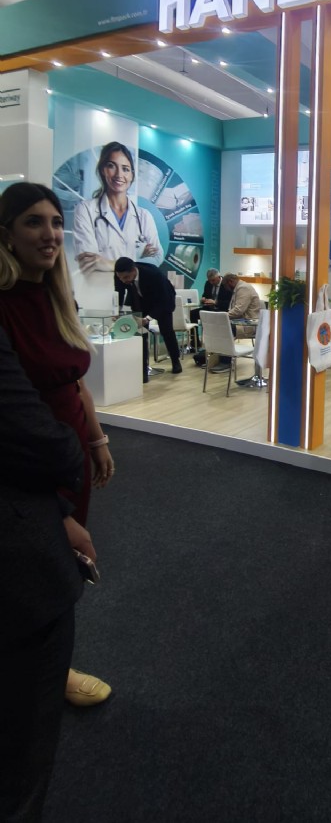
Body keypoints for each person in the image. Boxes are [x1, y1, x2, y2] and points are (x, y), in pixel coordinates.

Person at [0, 182, 113, 710]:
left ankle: (47, 663)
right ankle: (42, 673)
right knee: (38, 565)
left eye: (56, 222)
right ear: (6, 235)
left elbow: (74, 380)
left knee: (60, 565)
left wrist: (96, 438)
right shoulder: (5, 308)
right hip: (27, 465)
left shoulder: (55, 295)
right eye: (34, 222)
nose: (50, 234)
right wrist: (55, 511)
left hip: (67, 453)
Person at [0, 325, 98, 821]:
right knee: (22, 753)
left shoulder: (51, 304)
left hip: (44, 494)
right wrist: (70, 447)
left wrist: (94, 437)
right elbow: (37, 439)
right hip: (22, 528)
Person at [73, 141, 164, 273]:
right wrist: (138, 256)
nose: (119, 175)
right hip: (99, 285)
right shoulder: (85, 210)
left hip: (135, 285)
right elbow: (88, 262)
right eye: (111, 166)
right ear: (103, 170)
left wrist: (107, 263)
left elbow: (157, 258)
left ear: (132, 175)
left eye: (125, 169)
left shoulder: (144, 216)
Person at [114, 256, 183, 376]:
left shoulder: (154, 274)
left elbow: (164, 300)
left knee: (167, 331)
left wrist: (147, 318)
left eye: (126, 277)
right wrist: (117, 311)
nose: (123, 281)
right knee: (140, 333)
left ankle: (175, 360)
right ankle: (142, 365)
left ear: (133, 270)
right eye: (120, 278)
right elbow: (119, 292)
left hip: (162, 300)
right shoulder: (120, 275)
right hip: (140, 301)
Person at [209, 273, 263, 373]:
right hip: (241, 322)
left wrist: (222, 316)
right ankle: (217, 359)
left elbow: (238, 310)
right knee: (221, 326)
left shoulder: (244, 289)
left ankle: (226, 362)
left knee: (224, 328)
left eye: (225, 286)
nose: (226, 289)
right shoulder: (239, 288)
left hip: (249, 325)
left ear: (230, 282)